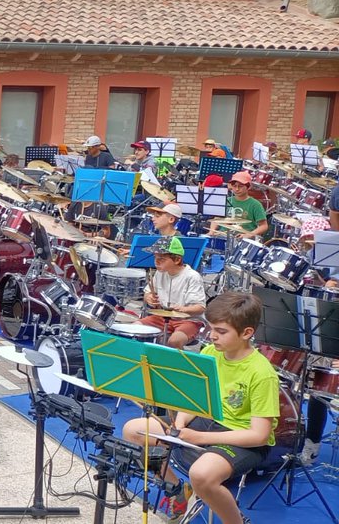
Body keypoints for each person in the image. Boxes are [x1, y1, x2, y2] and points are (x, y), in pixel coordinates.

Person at [122, 292, 278, 523]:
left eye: (221, 331)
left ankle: (234, 520)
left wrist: (198, 436)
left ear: (247, 333)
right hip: (206, 423)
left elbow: (260, 435)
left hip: (241, 438)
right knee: (133, 431)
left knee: (201, 474)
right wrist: (180, 421)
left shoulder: (262, 373)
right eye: (211, 328)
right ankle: (176, 491)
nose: (212, 336)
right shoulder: (210, 353)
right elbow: (197, 400)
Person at [138, 236, 206, 349]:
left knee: (174, 341)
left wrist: (183, 309)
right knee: (135, 328)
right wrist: (149, 297)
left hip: (188, 320)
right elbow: (147, 292)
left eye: (162, 259)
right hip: (162, 317)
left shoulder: (192, 276)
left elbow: (200, 307)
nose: (156, 262)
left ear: (177, 260)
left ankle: (178, 364)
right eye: (155, 257)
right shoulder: (160, 273)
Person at [209, 171, 268, 240]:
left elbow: (264, 226)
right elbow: (216, 219)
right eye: (234, 186)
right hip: (223, 236)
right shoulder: (226, 200)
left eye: (240, 186)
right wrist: (212, 231)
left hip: (242, 239)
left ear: (248, 187)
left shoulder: (255, 204)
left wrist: (248, 235)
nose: (237, 189)